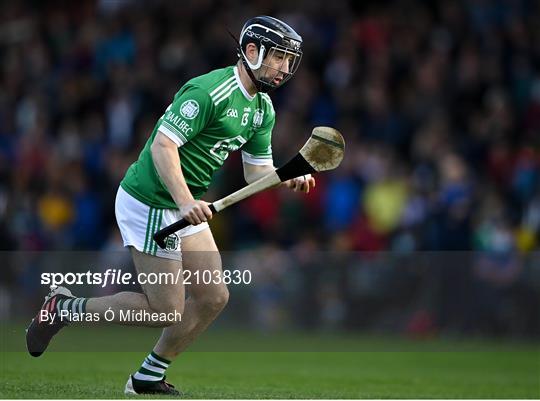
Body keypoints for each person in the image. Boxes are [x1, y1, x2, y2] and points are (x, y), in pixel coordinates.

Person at [25, 15, 315, 395]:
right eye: (278, 57)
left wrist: (284, 176)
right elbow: (163, 146)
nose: (284, 68)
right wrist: (185, 200)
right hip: (151, 199)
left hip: (183, 203)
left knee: (213, 296)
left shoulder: (263, 109)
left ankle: (147, 375)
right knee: (164, 308)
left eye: (289, 61)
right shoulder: (209, 92)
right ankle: (62, 308)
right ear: (251, 51)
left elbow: (255, 171)